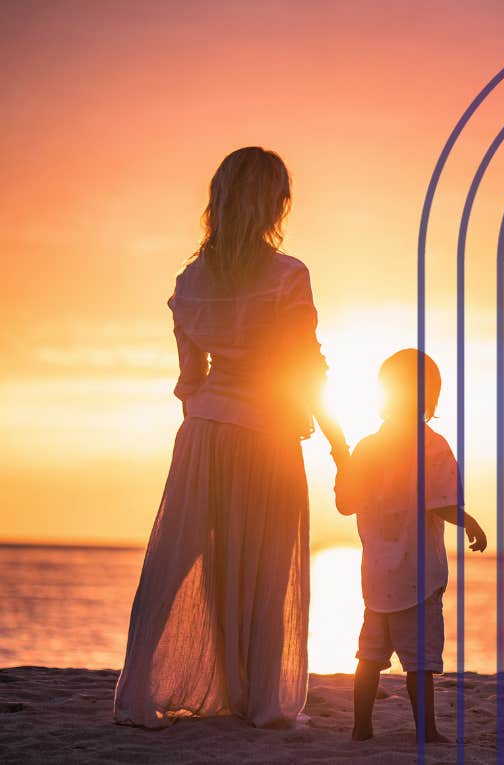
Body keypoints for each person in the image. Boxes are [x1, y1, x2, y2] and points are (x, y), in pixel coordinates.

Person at [114, 147, 348, 729]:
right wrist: (340, 448)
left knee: (172, 561)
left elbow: (191, 378)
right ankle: (262, 702)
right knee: (268, 566)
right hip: (266, 434)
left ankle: (133, 697)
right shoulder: (288, 275)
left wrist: (212, 414)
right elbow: (306, 367)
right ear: (273, 203)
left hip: (203, 433)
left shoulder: (189, 281)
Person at [335, 348, 488, 742]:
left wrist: (342, 461)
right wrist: (469, 520)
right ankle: (428, 731)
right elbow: (445, 504)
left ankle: (361, 727)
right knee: (419, 664)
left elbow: (344, 503)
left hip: (375, 576)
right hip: (418, 577)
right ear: (430, 398)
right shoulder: (433, 446)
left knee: (368, 658)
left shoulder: (368, 447)